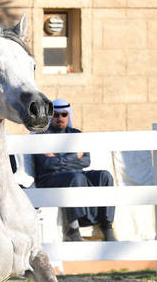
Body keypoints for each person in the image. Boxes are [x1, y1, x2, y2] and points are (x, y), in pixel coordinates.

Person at [30, 99, 116, 242]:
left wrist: (58, 158)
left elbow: (86, 160)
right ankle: (73, 228)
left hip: (77, 174)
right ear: (50, 117)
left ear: (69, 115)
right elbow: (47, 163)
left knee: (104, 176)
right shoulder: (42, 136)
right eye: (56, 115)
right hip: (50, 179)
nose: (60, 118)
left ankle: (107, 226)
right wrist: (73, 157)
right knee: (75, 177)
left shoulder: (76, 134)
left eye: (64, 114)